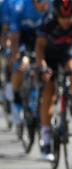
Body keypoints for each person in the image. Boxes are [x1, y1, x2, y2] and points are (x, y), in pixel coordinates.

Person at [35, 0, 72, 161]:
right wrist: (42, 66)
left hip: (68, 51)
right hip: (49, 55)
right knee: (49, 90)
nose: (66, 21)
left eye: (69, 17)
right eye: (62, 18)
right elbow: (39, 47)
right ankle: (46, 135)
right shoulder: (48, 19)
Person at [7, 0, 49, 138]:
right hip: (24, 39)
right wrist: (16, 55)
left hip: (43, 40)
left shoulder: (53, 5)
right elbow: (14, 35)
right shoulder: (20, 6)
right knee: (20, 67)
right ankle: (16, 102)